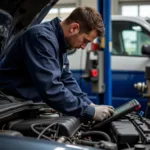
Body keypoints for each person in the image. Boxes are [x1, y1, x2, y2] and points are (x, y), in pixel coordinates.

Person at [0, 6, 114, 121]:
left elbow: (67, 80)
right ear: (74, 28)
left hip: (25, 104)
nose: (83, 47)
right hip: (10, 105)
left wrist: (90, 105)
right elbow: (51, 89)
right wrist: (87, 111)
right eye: (85, 41)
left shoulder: (60, 42)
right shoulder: (41, 38)